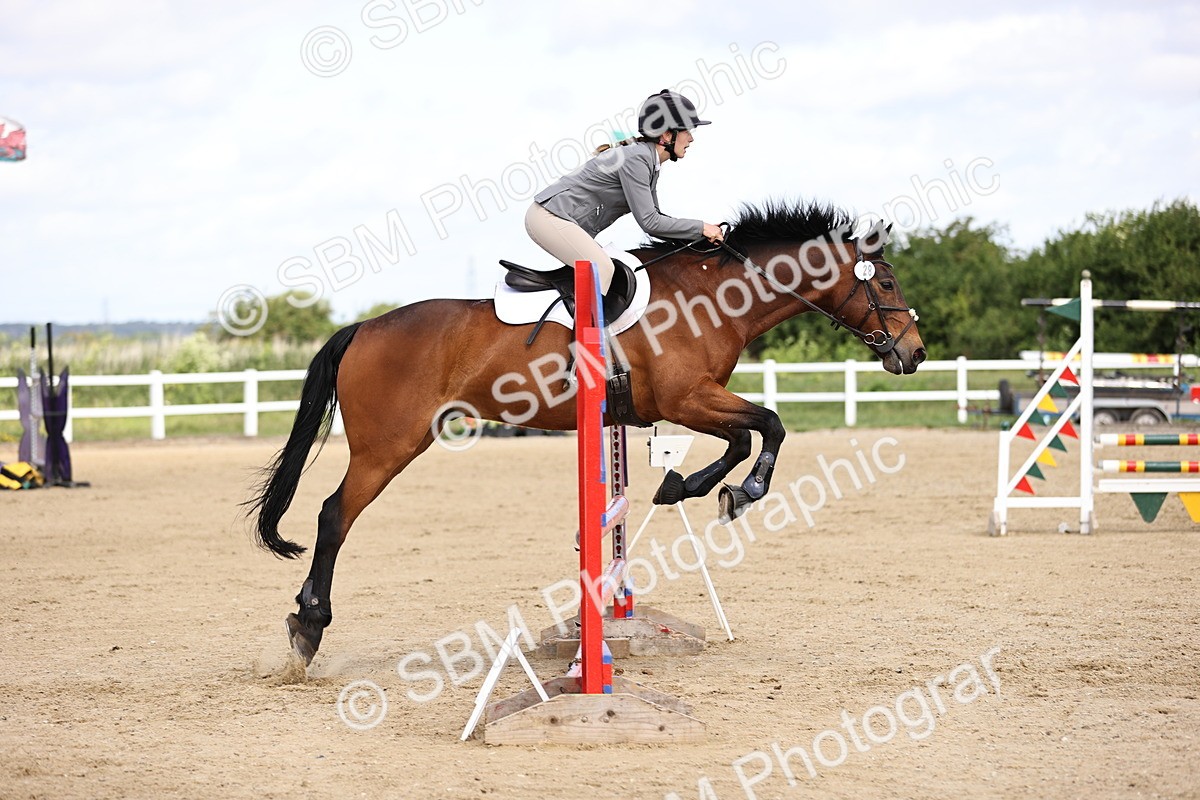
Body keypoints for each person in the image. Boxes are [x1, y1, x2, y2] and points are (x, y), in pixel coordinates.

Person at [526, 89, 725, 318]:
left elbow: (657, 220)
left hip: (555, 218)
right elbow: (650, 222)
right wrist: (701, 227)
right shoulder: (637, 159)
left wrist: (700, 236)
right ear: (667, 134)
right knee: (602, 269)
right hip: (548, 217)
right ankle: (585, 342)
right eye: (687, 131)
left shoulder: (648, 161)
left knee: (607, 269)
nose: (691, 138)